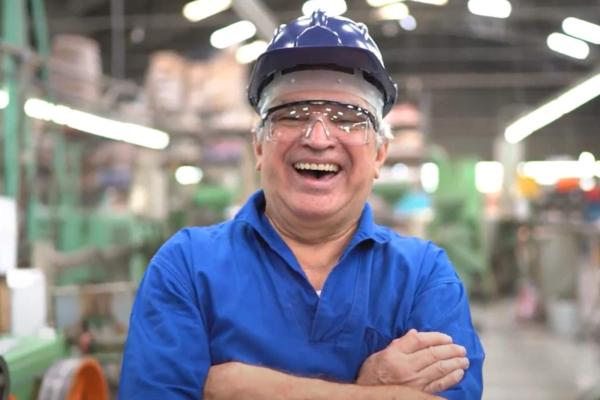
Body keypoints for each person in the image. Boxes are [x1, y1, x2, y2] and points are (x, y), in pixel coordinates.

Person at [119, 10, 484, 400]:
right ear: (259, 146)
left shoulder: (423, 277)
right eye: (292, 115)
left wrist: (238, 387)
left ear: (380, 154)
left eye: (347, 117)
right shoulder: (187, 268)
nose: (318, 137)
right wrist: (374, 390)